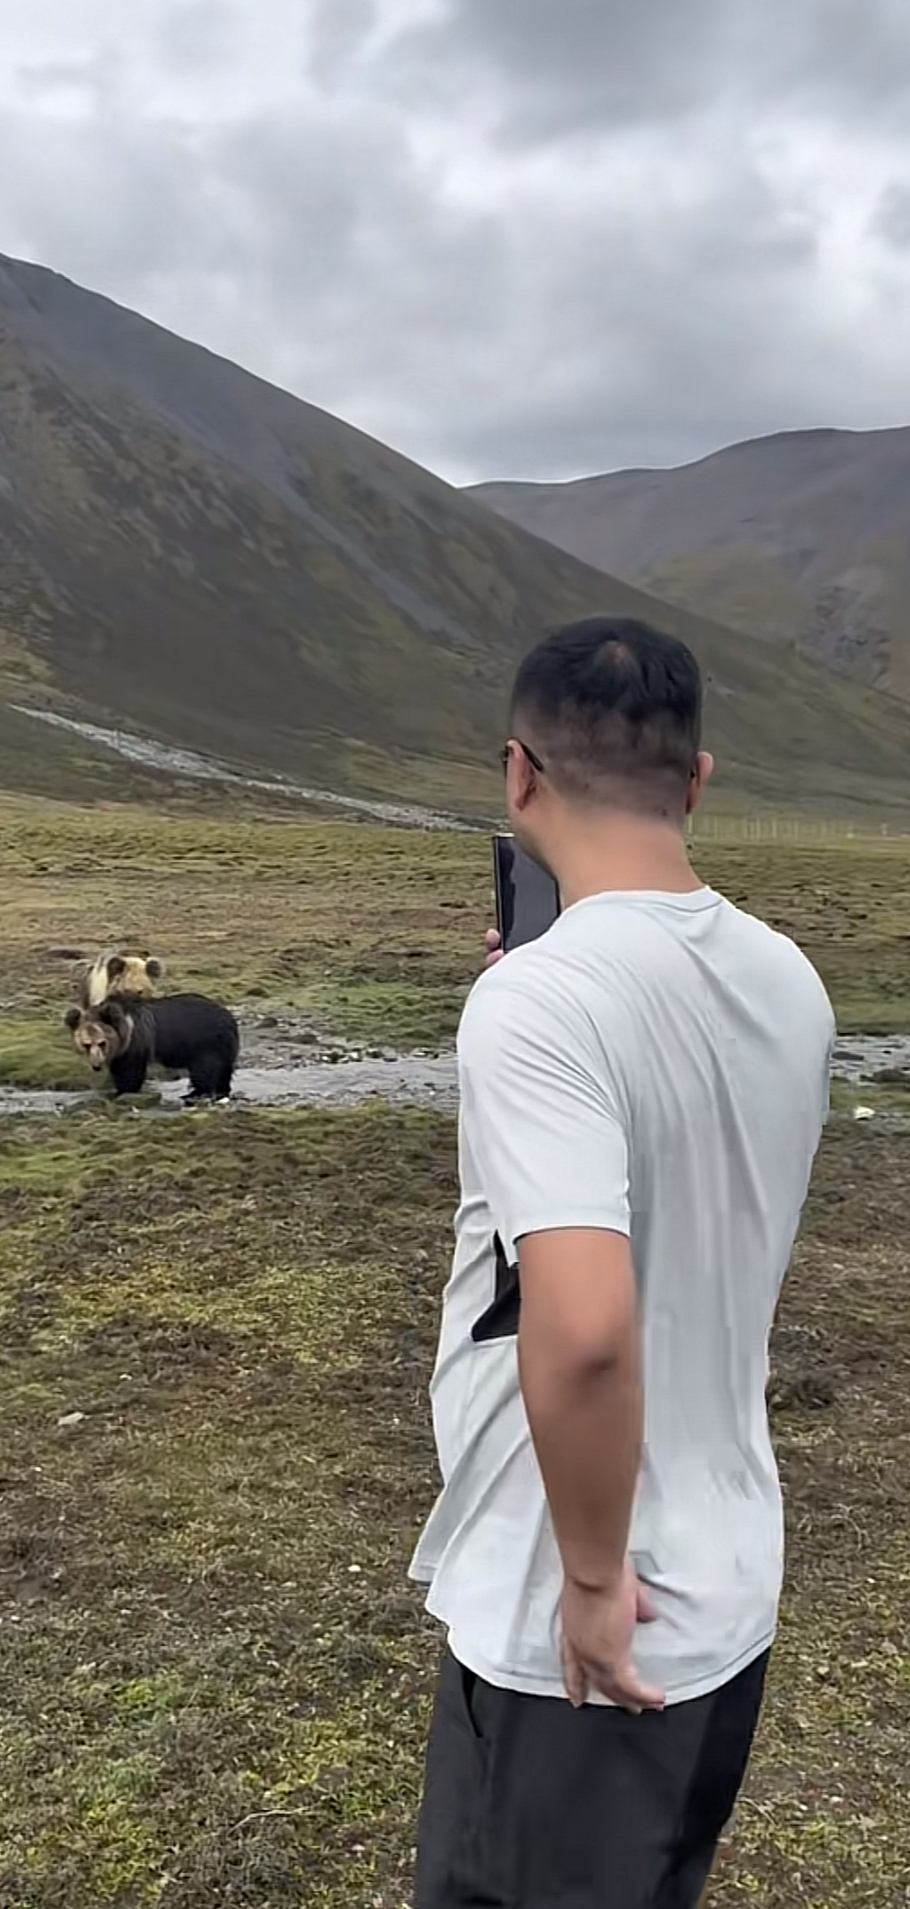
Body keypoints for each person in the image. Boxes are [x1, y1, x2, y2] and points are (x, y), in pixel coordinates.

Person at [409, 616, 835, 1908]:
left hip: (581, 1620)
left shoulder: (538, 1002)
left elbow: (584, 1329)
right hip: (724, 1586)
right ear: (696, 781)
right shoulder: (791, 982)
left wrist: (591, 1582)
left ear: (517, 774)